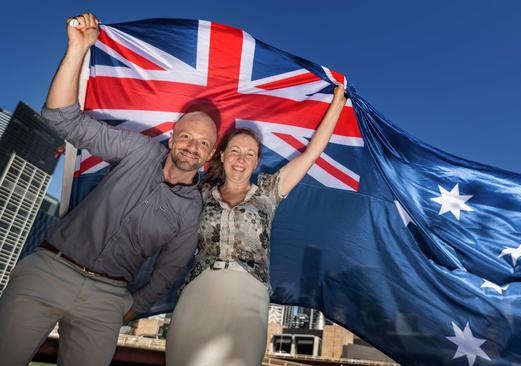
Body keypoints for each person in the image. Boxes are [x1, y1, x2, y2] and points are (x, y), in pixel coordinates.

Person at [0, 13, 219, 366]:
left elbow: (168, 270)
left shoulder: (192, 211)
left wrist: (132, 308)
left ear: (211, 153)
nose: (192, 146)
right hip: (50, 270)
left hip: (108, 298)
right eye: (187, 136)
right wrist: (78, 49)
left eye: (203, 143)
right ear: (174, 135)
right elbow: (61, 117)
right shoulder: (140, 149)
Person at [165, 86, 348, 366]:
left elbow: (312, 153)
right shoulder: (199, 191)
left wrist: (337, 101)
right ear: (222, 155)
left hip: (248, 297)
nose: (241, 160)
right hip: (198, 291)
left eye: (249, 154)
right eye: (235, 151)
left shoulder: (268, 191)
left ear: (257, 162)